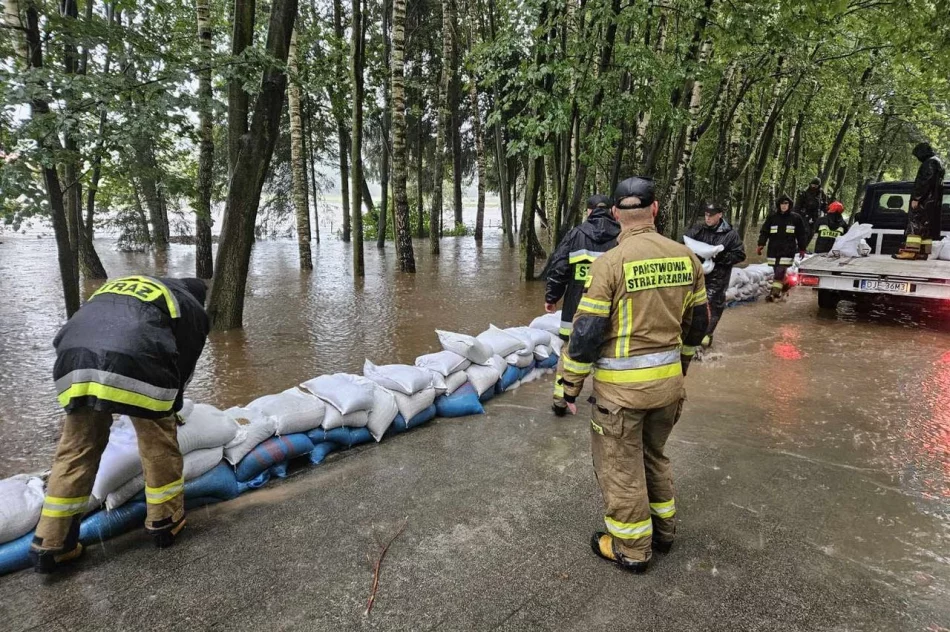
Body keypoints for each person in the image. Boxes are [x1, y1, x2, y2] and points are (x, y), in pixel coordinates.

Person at [558, 176, 708, 573]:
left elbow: (585, 334)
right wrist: (682, 367)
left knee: (621, 469)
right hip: (669, 389)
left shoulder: (610, 264)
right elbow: (698, 325)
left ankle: (632, 549)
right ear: (655, 210)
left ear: (614, 214)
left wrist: (569, 387)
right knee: (654, 456)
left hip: (621, 399)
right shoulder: (686, 258)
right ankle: (664, 532)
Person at [30, 276, 210, 573]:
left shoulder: (129, 286)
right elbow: (182, 366)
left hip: (72, 359)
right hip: (136, 357)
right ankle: (165, 520)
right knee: (158, 440)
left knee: (76, 448)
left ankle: (51, 543)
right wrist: (171, 408)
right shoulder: (190, 307)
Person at [543, 194, 620, 416]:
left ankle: (560, 401)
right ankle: (607, 400)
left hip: (576, 307)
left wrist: (552, 297)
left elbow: (559, 268)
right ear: (613, 211)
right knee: (609, 353)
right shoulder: (622, 236)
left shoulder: (576, 234)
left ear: (589, 211)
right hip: (611, 307)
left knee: (569, 353)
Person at [684, 203, 745, 347]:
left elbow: (740, 255)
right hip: (698, 275)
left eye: (711, 215)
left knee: (711, 306)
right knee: (693, 305)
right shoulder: (698, 230)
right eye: (706, 214)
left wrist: (720, 258)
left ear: (720, 215)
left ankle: (706, 337)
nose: (708, 218)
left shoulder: (730, 234)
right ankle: (692, 336)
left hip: (718, 278)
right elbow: (683, 244)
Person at [894, 142, 945, 260]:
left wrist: (917, 198)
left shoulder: (929, 162)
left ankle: (910, 252)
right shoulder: (938, 162)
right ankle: (923, 252)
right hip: (932, 202)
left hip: (924, 201)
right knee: (926, 229)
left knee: (915, 226)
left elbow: (924, 182)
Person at [757, 195, 808, 301]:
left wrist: (802, 248)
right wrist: (761, 244)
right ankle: (786, 286)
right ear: (778, 205)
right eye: (782, 204)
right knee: (777, 272)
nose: (784, 206)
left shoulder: (796, 218)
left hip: (788, 250)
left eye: (786, 204)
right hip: (773, 250)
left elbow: (801, 234)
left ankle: (774, 294)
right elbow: (764, 231)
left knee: (780, 271)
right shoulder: (772, 217)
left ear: (789, 205)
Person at [795, 177, 827, 245]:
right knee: (806, 231)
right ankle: (800, 248)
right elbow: (797, 205)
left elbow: (824, 204)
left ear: (818, 186)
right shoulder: (804, 192)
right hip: (805, 214)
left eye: (816, 186)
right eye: (813, 185)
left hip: (815, 216)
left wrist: (827, 211)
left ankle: (803, 248)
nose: (814, 187)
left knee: (812, 232)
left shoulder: (821, 193)